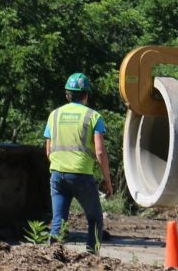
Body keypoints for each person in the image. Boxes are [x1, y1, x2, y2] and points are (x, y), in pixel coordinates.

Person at [44, 72, 115, 253]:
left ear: (68, 94)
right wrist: (108, 181)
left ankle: (51, 259)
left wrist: (60, 165)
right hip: (81, 175)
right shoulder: (93, 117)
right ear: (86, 95)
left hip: (57, 174)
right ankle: (92, 258)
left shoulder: (54, 115)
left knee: (58, 221)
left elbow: (48, 150)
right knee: (95, 219)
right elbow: (100, 152)